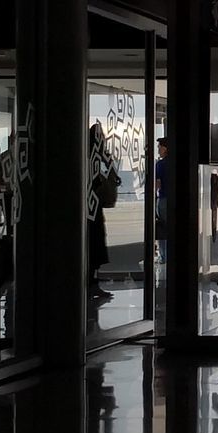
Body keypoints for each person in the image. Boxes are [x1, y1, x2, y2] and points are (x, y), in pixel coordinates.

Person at [88, 123, 115, 300]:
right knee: (94, 244)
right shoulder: (95, 154)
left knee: (94, 244)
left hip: (92, 206)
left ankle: (91, 282)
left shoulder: (93, 153)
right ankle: (91, 283)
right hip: (92, 208)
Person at [154, 137, 169, 264]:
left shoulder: (160, 164)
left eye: (160, 147)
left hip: (164, 199)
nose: (158, 149)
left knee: (163, 229)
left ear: (166, 148)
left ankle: (164, 257)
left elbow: (157, 184)